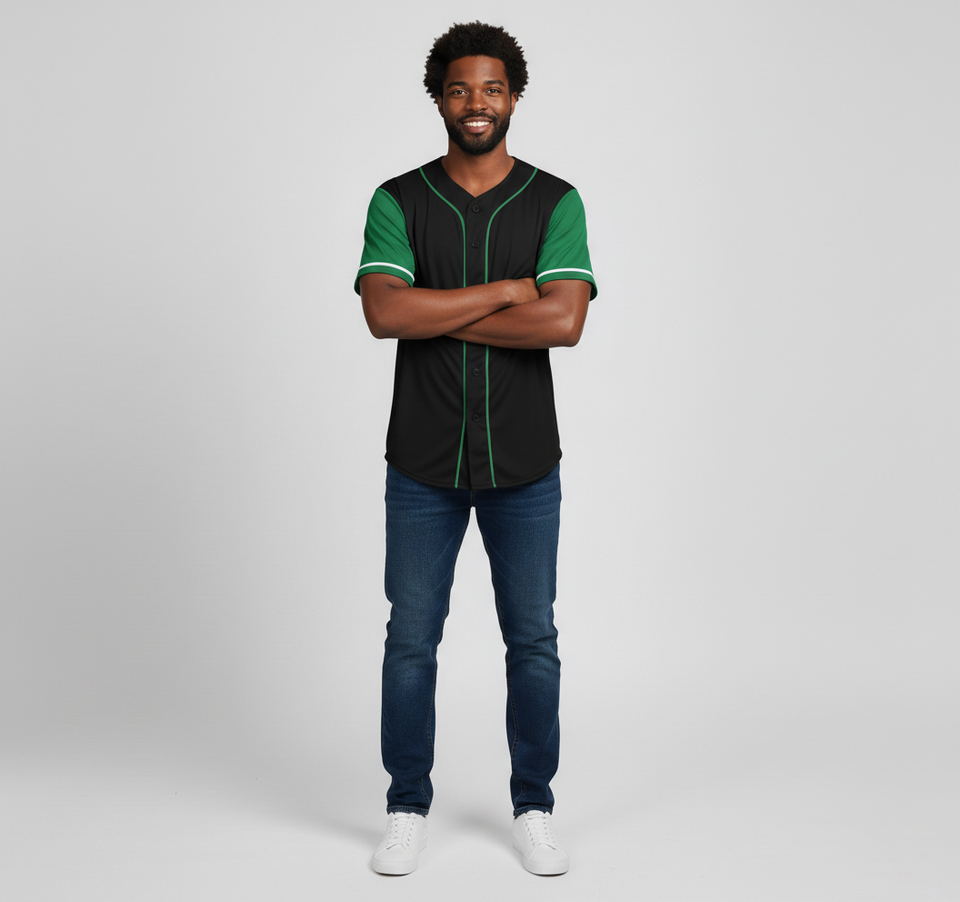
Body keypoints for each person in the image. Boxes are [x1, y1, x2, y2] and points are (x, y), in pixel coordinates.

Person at [354, 21, 597, 876]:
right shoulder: (399, 199)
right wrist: (502, 292)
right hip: (422, 462)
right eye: (460, 89)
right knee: (410, 640)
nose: (477, 103)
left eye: (492, 88)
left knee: (533, 641)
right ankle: (405, 806)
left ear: (514, 96)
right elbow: (385, 313)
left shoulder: (555, 200)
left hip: (524, 464)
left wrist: (437, 308)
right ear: (440, 99)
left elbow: (563, 322)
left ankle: (534, 805)